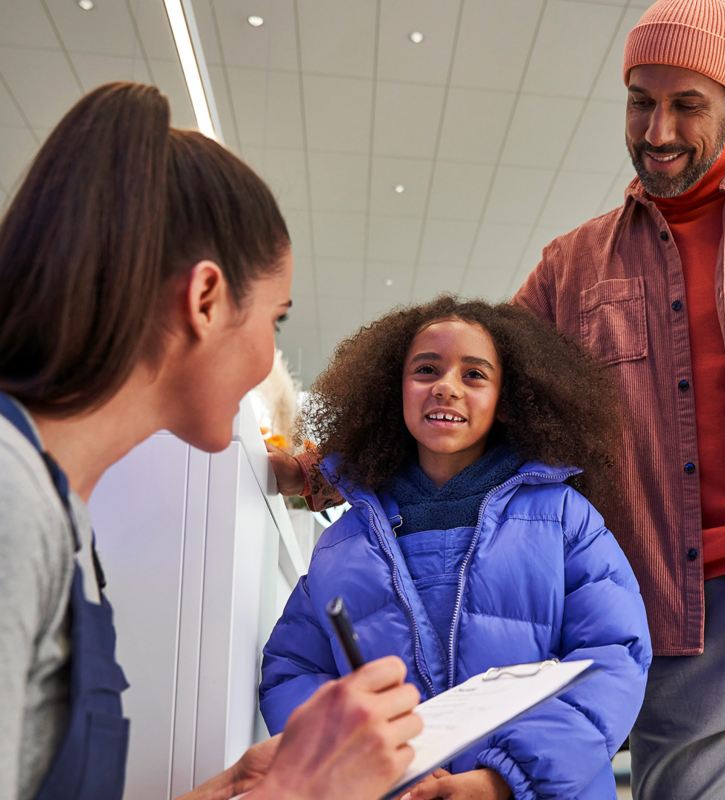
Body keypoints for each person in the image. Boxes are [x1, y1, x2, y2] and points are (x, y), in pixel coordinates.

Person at [269, 1, 725, 796]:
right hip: (676, 616)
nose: (657, 131)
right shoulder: (572, 267)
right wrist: (330, 470)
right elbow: (472, 390)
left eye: (687, 105)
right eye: (639, 100)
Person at [0, 81, 422, 800]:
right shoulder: (12, 505)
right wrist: (302, 793)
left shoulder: (55, 514)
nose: (269, 360)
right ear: (204, 300)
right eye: (275, 321)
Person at [260, 296, 652, 799]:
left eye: (474, 375)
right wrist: (368, 765)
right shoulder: (344, 543)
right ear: (392, 393)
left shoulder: (565, 522)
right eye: (427, 369)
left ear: (507, 400)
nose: (446, 386)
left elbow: (614, 657)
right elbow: (292, 673)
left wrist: (503, 779)